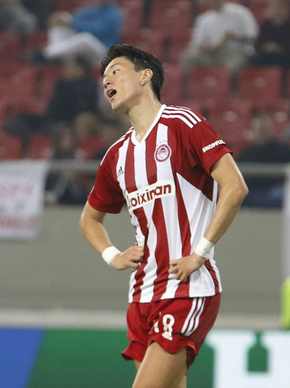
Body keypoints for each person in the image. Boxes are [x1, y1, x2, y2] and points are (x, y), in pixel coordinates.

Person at [79, 44, 248, 388]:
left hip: (187, 289)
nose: (106, 80)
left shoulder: (183, 124)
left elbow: (235, 188)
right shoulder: (116, 156)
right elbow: (89, 220)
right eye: (103, 76)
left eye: (115, 71)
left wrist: (199, 253)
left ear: (145, 76)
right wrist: (112, 255)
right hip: (141, 294)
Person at [237, 112, 290, 208]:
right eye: (258, 128)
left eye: (263, 128)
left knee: (282, 194)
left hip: (274, 191)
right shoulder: (247, 152)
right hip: (252, 192)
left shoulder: (283, 150)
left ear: (270, 129)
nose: (261, 131)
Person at [33, 0, 122, 66]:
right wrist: (63, 19)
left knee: (85, 38)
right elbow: (77, 16)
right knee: (61, 26)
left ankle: (45, 54)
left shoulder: (114, 14)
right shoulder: (95, 9)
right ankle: (53, 54)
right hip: (84, 51)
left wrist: (72, 23)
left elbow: (97, 30)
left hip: (102, 52)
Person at [180, 0, 258, 74]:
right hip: (211, 54)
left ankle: (231, 87)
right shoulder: (203, 19)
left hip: (235, 52)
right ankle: (192, 86)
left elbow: (253, 35)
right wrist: (210, 48)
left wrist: (234, 37)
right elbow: (196, 44)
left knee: (232, 66)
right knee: (188, 58)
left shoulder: (241, 12)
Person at [248, 0, 290, 70]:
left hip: (283, 55)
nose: (276, 10)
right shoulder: (265, 25)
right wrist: (266, 46)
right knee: (252, 59)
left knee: (278, 59)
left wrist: (278, 48)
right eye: (274, 7)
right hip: (266, 54)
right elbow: (257, 44)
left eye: (279, 7)